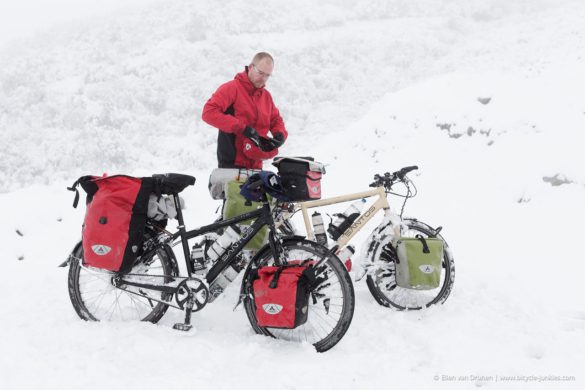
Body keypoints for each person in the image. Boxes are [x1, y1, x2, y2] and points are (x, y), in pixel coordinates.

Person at [202, 52, 288, 170]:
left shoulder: (266, 96)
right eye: (260, 73)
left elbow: (275, 120)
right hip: (232, 165)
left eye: (267, 75)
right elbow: (208, 113)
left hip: (256, 164)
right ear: (251, 67)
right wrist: (242, 128)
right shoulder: (231, 89)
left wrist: (280, 135)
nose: (263, 79)